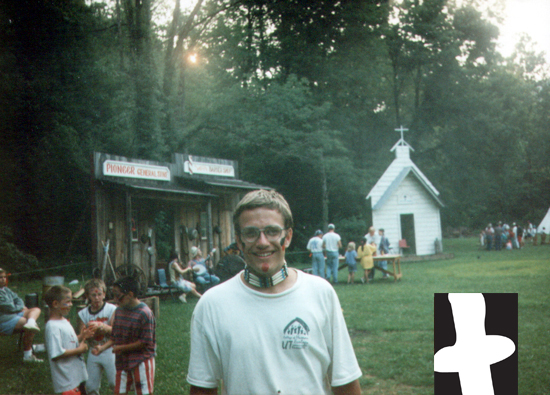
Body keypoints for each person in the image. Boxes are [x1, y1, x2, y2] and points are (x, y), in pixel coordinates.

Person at [187, 189, 362, 395]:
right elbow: (202, 389)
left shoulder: (321, 293)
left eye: (272, 231)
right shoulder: (212, 304)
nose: (262, 242)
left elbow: (346, 383)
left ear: (287, 237)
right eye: (251, 233)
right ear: (239, 240)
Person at [92, 276, 156, 395]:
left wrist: (121, 348)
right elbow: (115, 336)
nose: (115, 300)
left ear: (130, 294)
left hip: (142, 360)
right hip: (123, 361)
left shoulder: (145, 314)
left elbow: (145, 343)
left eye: (118, 296)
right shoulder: (119, 311)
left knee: (143, 392)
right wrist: (102, 348)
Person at [44, 285, 92, 395]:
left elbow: (68, 342)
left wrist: (81, 336)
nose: (71, 304)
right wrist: (79, 350)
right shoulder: (52, 327)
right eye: (68, 301)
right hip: (66, 381)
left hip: (76, 377)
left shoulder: (64, 321)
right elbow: (56, 354)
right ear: (55, 304)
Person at [77, 279, 117, 395]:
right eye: (93, 295)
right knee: (90, 386)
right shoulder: (83, 313)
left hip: (110, 349)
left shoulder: (111, 309)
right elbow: (81, 336)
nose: (97, 298)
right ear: (88, 296)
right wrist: (86, 334)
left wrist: (103, 327)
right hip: (93, 350)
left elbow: (116, 331)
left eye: (99, 294)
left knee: (114, 383)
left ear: (104, 294)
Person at [0, 267, 43, 362]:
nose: (3, 279)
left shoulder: (5, 289)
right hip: (4, 320)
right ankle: (28, 355)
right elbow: (8, 307)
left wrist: (20, 306)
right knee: (27, 325)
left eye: (4, 277)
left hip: (14, 314)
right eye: (0, 277)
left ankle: (31, 322)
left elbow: (18, 299)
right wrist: (20, 307)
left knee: (36, 309)